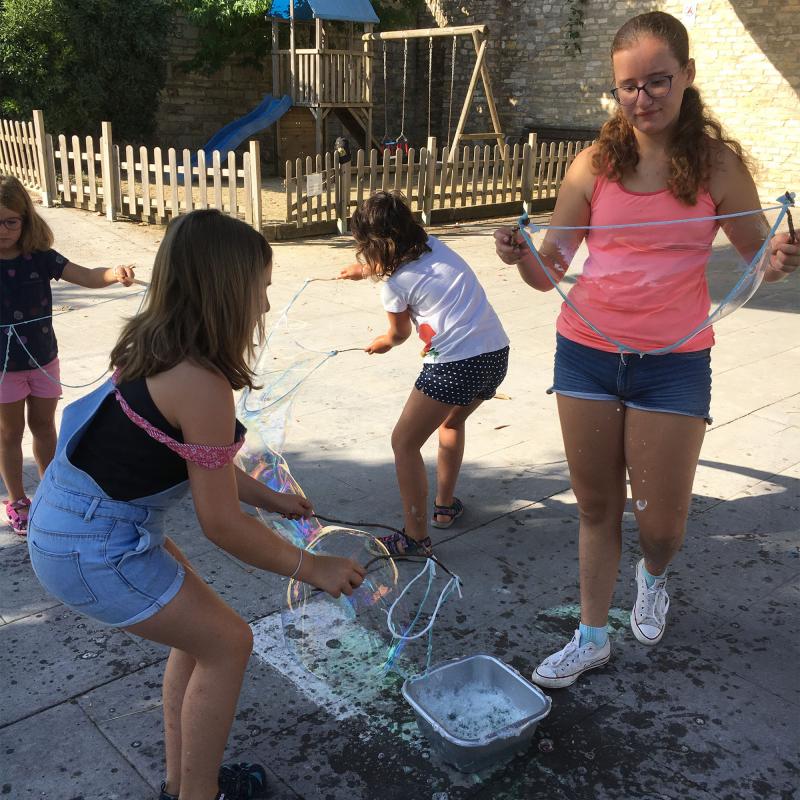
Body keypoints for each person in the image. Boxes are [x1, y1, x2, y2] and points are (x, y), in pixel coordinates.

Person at [494, 11, 798, 689]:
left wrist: (779, 257)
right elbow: (550, 272)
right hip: (586, 353)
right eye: (628, 86)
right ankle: (592, 635)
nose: (643, 98)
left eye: (658, 81)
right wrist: (520, 256)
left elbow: (755, 267)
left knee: (661, 526)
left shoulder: (719, 167)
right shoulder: (594, 166)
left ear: (687, 77)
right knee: (596, 508)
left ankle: (653, 576)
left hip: (674, 366)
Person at [26, 209, 366, 800]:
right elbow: (221, 524)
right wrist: (314, 568)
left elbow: (201, 458)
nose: (263, 306)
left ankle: (184, 784)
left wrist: (273, 497)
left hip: (80, 523)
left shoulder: (152, 344)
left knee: (200, 636)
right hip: (92, 546)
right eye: (259, 291)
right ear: (227, 291)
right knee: (228, 642)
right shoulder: (204, 384)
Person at [340, 191, 510, 555]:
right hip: (495, 354)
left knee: (404, 442)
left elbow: (399, 334)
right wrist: (363, 271)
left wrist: (384, 342)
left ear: (375, 245)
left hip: (455, 365)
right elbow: (415, 273)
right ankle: (444, 507)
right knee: (451, 423)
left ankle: (414, 537)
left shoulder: (394, 285)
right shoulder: (435, 245)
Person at [0, 174, 135, 535]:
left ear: (25, 220)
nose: (3, 230)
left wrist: (113, 273)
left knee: (44, 426)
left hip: (43, 360)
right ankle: (17, 501)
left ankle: (50, 492)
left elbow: (88, 276)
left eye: (10, 221)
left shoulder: (40, 258)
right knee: (9, 434)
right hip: (3, 369)